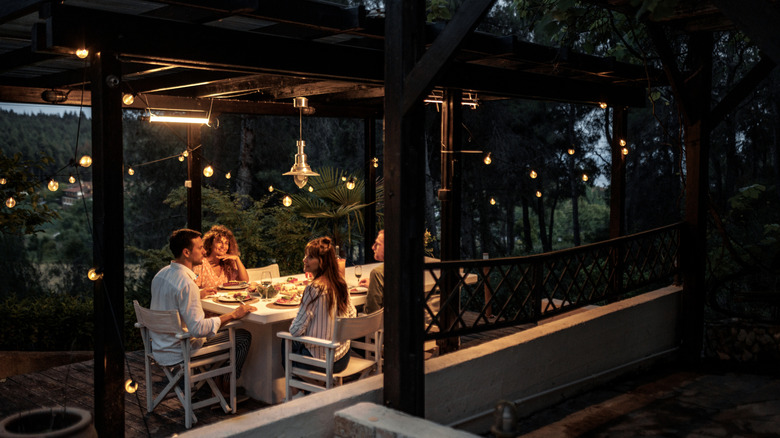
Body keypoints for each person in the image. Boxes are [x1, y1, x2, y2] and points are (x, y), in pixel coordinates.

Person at [150, 228, 256, 393]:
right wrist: (234, 314)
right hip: (181, 349)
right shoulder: (187, 283)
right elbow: (198, 329)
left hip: (159, 347)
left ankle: (214, 380)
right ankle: (227, 386)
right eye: (200, 248)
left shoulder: (161, 275)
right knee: (243, 336)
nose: (204, 251)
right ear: (186, 252)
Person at [284, 236, 356, 373]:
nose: (304, 260)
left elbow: (295, 331)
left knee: (285, 341)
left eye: (310, 257)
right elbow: (352, 315)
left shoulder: (314, 288)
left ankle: (297, 391)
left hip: (322, 362)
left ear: (322, 262)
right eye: (306, 255)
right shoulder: (340, 283)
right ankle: (307, 389)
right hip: (342, 358)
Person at [193, 225, 249, 294]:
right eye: (219, 242)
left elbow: (244, 281)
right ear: (210, 244)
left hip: (224, 302)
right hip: (206, 303)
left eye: (226, 243)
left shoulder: (227, 264)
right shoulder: (200, 263)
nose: (223, 246)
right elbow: (193, 291)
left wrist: (237, 259)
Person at [360, 230, 384, 315]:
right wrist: (373, 285)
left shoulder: (377, 273)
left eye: (377, 244)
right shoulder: (406, 268)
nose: (373, 247)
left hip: (382, 326)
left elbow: (372, 311)